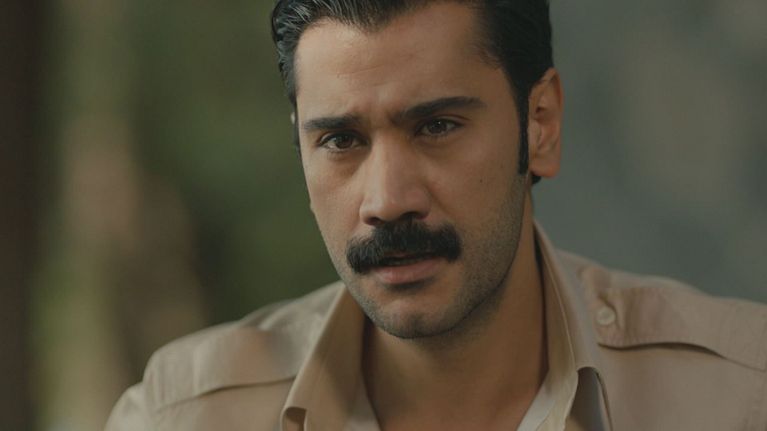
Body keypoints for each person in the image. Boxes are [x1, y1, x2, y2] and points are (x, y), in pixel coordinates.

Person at [106, 1, 767, 430]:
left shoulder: (741, 397)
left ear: (539, 124)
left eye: (437, 126)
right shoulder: (182, 416)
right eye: (340, 140)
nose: (388, 200)